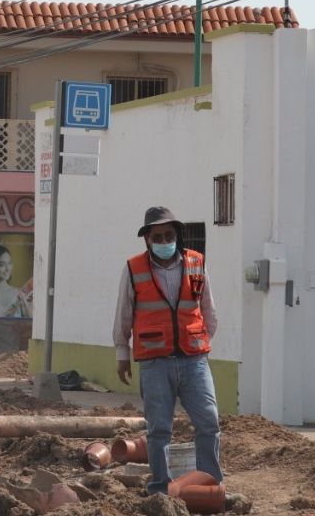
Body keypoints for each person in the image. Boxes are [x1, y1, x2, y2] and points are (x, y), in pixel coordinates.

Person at [113, 206, 221, 495]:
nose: (164, 241)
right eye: (157, 236)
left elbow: (208, 310)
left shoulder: (196, 263)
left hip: (193, 360)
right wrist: (122, 353)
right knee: (159, 430)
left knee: (209, 423)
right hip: (154, 362)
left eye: (169, 235)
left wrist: (199, 344)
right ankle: (160, 489)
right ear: (147, 239)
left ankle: (210, 485)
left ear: (177, 236)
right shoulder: (134, 268)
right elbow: (123, 313)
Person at [0, 244, 29, 318]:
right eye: (2, 265)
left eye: (9, 263)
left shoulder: (19, 293)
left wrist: (28, 309)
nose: (8, 269)